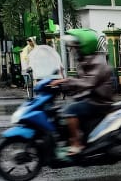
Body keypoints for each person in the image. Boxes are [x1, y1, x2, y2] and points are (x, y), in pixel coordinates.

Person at [50, 28, 116, 156]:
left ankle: (76, 144)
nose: (73, 50)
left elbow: (87, 83)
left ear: (84, 47)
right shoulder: (85, 61)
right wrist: (64, 85)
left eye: (75, 47)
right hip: (91, 97)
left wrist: (67, 81)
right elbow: (80, 81)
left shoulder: (98, 63)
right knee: (61, 109)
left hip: (100, 101)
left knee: (70, 110)